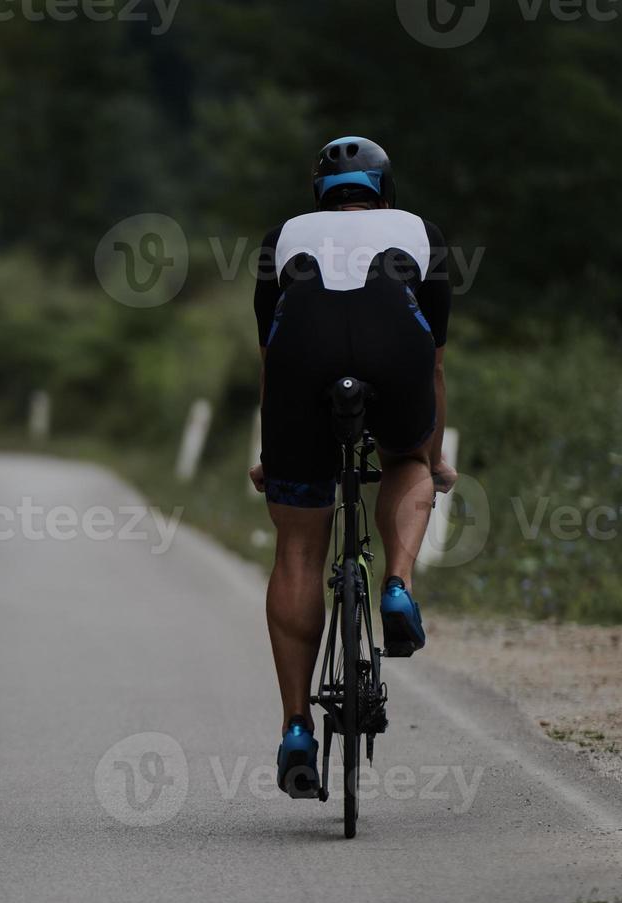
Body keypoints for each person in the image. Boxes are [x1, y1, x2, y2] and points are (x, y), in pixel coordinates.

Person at [248, 137, 458, 798]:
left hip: (301, 369)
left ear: (320, 195)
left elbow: (271, 356)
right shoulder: (421, 233)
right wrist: (429, 454)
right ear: (384, 191)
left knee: (298, 550)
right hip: (394, 354)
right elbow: (433, 361)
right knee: (404, 459)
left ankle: (295, 730)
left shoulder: (281, 237)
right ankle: (397, 585)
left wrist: (274, 453)